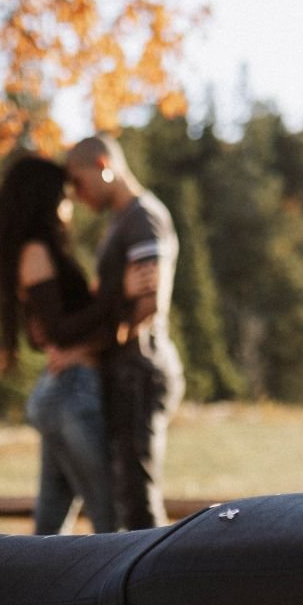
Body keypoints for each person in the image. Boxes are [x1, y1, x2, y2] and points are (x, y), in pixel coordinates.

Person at [0, 155, 118, 534]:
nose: (70, 205)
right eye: (64, 197)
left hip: (61, 392)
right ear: (46, 201)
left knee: (50, 524)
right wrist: (113, 297)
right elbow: (57, 330)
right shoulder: (37, 252)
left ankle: (31, 576)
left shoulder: (34, 251)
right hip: (71, 394)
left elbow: (39, 332)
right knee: (110, 515)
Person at [60, 133, 184, 530]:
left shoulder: (143, 218)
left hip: (140, 371)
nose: (77, 195)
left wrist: (86, 350)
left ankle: (158, 572)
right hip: (124, 372)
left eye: (78, 182)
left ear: (103, 166)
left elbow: (149, 305)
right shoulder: (122, 221)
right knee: (124, 496)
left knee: (138, 499)